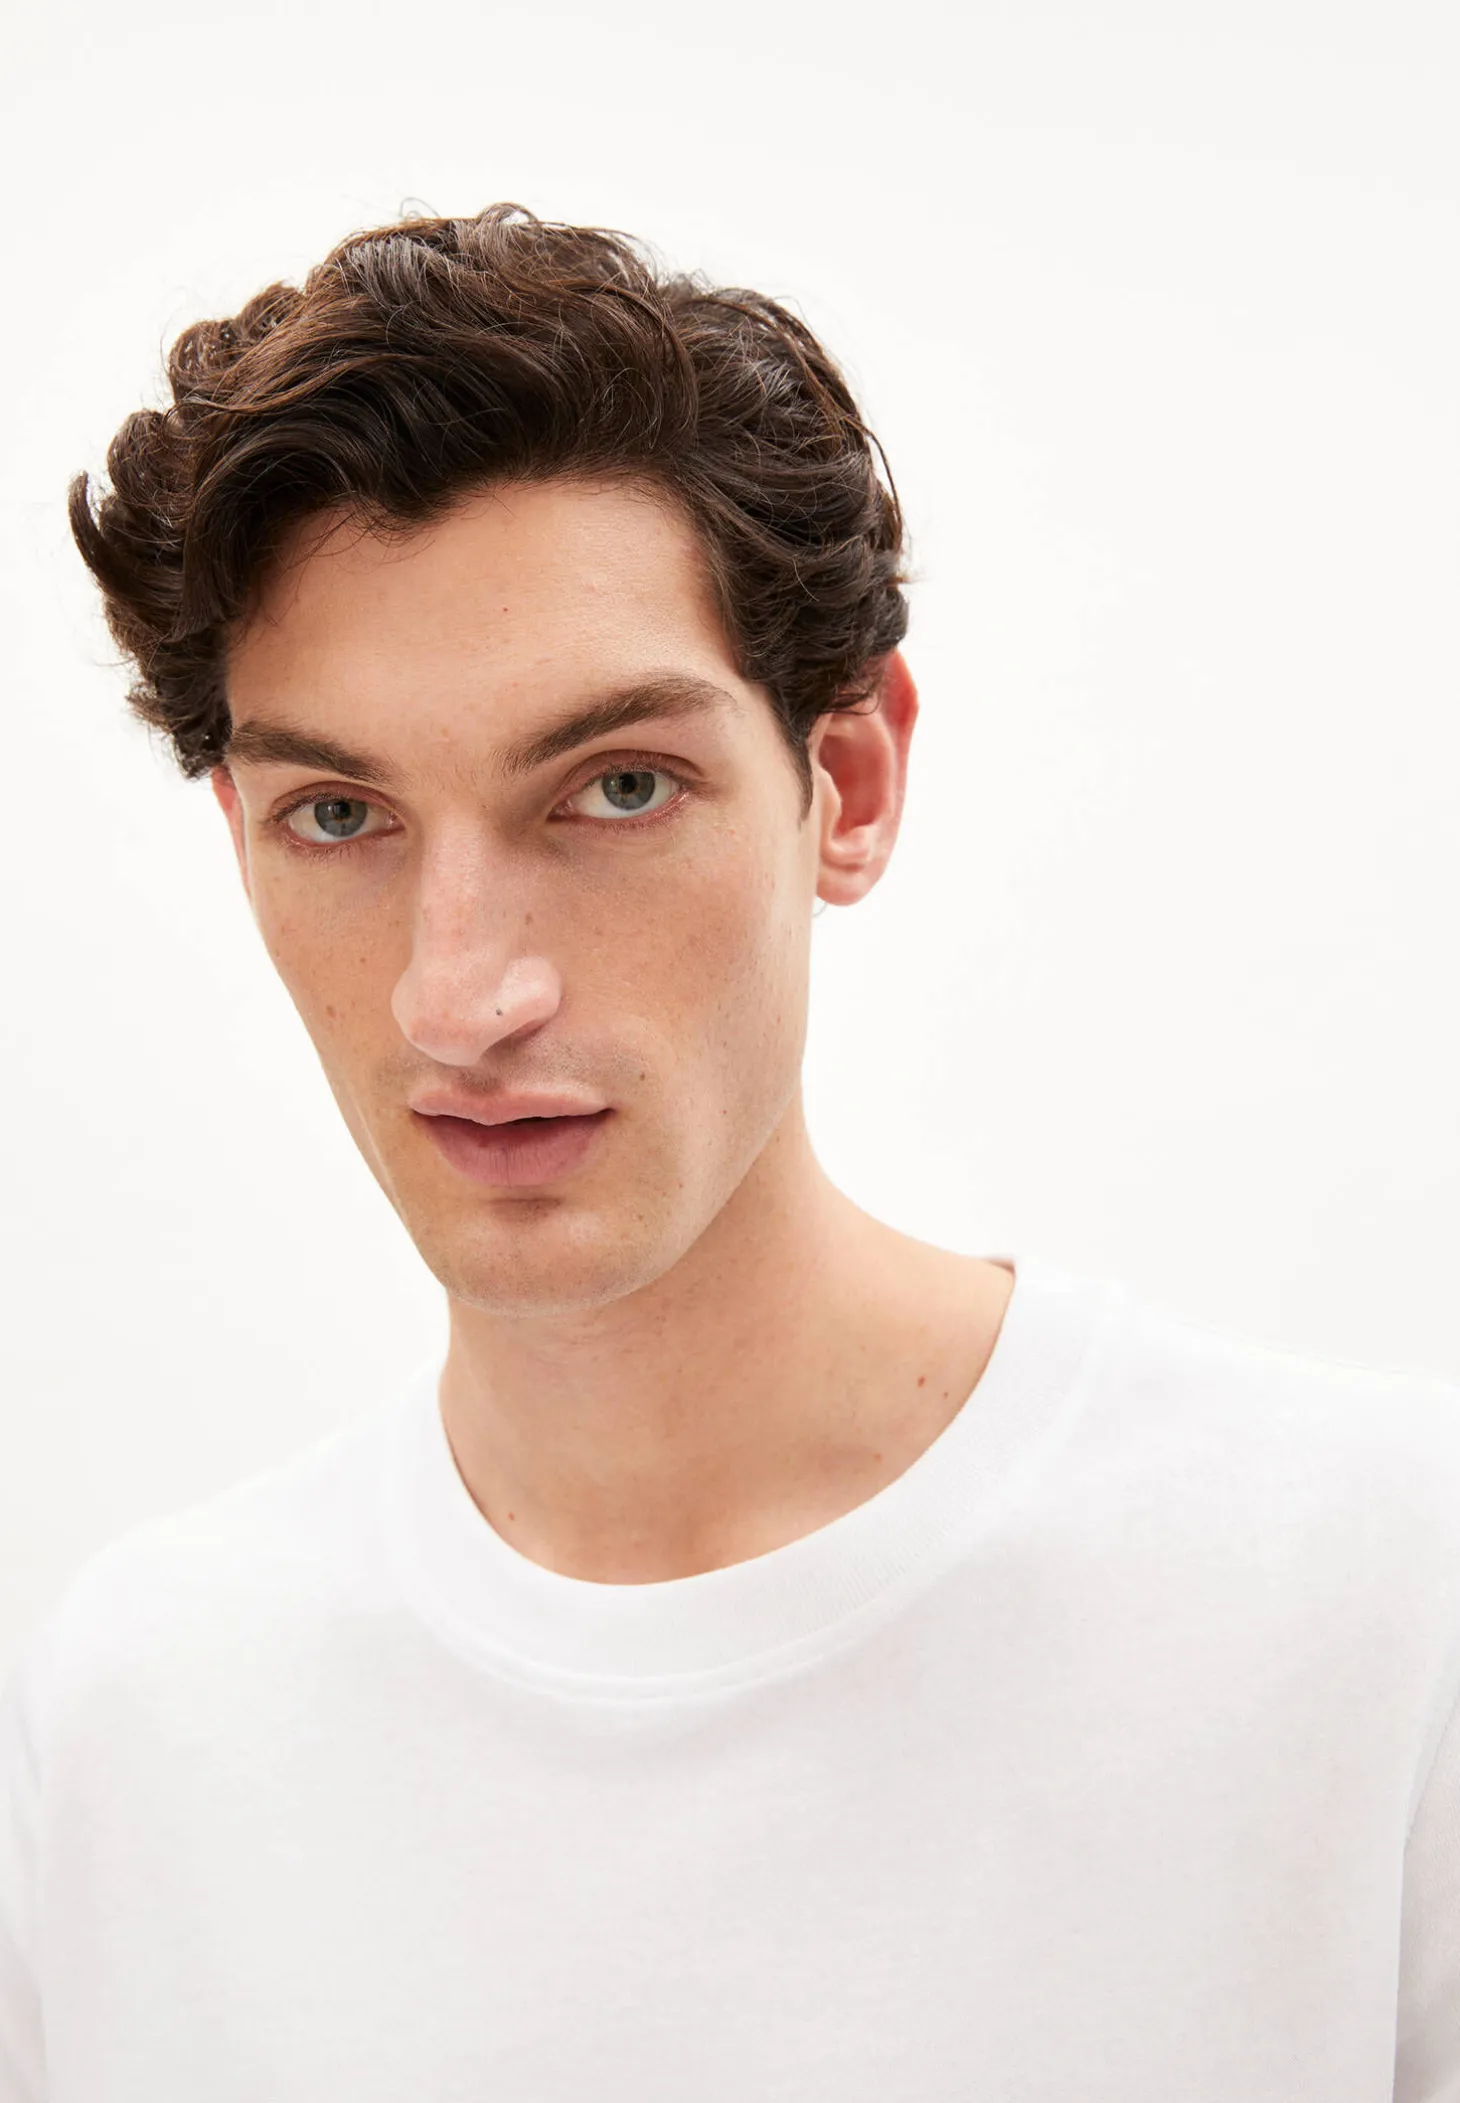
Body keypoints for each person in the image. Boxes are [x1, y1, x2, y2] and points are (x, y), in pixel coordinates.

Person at [1, 202, 1455, 2102]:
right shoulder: (137, 1722)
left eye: (616, 787)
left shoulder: (1379, 1599)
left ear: (846, 782)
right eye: (341, 814)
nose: (463, 995)